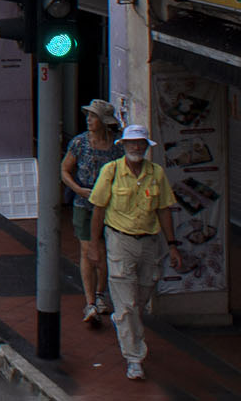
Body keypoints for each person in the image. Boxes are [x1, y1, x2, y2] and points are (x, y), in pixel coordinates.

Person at [89, 123, 186, 382]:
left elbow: (164, 209)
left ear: (145, 147)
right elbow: (98, 209)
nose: (135, 147)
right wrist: (94, 246)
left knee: (141, 297)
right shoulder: (111, 171)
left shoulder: (156, 173)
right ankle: (134, 358)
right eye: (131, 143)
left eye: (140, 143)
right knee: (128, 305)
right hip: (120, 241)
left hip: (149, 243)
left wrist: (173, 244)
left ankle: (123, 320)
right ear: (123, 146)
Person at [61, 99, 123, 326]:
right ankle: (89, 301)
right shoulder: (79, 143)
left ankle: (100, 294)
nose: (89, 120)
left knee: (105, 250)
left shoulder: (117, 146)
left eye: (93, 116)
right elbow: (65, 170)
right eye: (88, 116)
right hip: (84, 204)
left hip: (110, 206)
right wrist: (77, 188)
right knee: (88, 249)